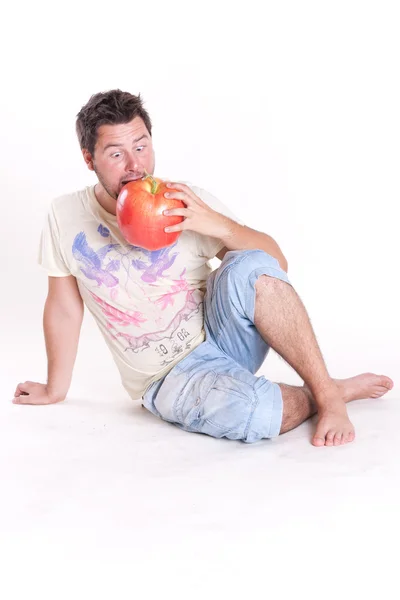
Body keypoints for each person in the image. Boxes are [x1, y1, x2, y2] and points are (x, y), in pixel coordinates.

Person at [13, 89, 393, 447]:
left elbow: (273, 268)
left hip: (223, 337)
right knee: (254, 412)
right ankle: (328, 388)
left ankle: (328, 396)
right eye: (116, 154)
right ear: (88, 158)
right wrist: (54, 388)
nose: (135, 165)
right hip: (166, 379)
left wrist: (213, 223)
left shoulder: (182, 201)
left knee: (249, 262)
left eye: (142, 146)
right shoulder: (64, 216)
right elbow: (64, 307)